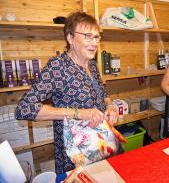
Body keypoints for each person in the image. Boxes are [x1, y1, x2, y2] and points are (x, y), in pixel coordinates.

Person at [15, 12, 119, 174]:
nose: (94, 43)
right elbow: (24, 109)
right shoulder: (58, 67)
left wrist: (110, 105)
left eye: (97, 37)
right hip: (76, 154)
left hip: (102, 145)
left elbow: (102, 92)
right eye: (87, 36)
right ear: (70, 38)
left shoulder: (90, 64)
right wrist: (79, 113)